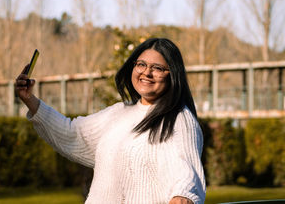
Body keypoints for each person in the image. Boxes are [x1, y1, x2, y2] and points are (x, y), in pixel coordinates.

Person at [15, 38, 206, 204]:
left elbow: (185, 168)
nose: (147, 73)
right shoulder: (119, 111)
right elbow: (72, 133)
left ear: (173, 75)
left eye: (157, 68)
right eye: (141, 64)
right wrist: (29, 99)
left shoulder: (179, 118)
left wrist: (183, 195)